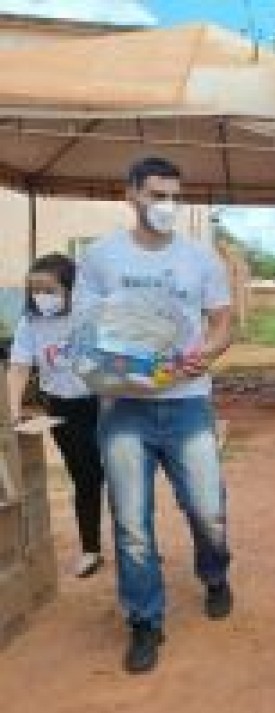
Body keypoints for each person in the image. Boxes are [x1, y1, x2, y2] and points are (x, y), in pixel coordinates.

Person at [74, 156, 233, 674]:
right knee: (131, 522)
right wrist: (121, 366)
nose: (167, 205)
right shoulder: (100, 257)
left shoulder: (200, 259)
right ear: (132, 195)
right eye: (156, 195)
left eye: (174, 197)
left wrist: (208, 352)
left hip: (188, 402)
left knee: (208, 510)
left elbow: (222, 321)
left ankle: (215, 574)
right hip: (124, 408)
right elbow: (86, 330)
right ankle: (144, 621)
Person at [8, 253, 105, 578]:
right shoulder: (30, 322)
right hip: (62, 410)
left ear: (70, 288)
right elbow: (19, 368)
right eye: (35, 290)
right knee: (85, 478)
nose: (41, 297)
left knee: (122, 477)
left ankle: (136, 545)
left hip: (103, 404)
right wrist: (12, 410)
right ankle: (91, 550)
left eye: (49, 290)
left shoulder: (90, 315)